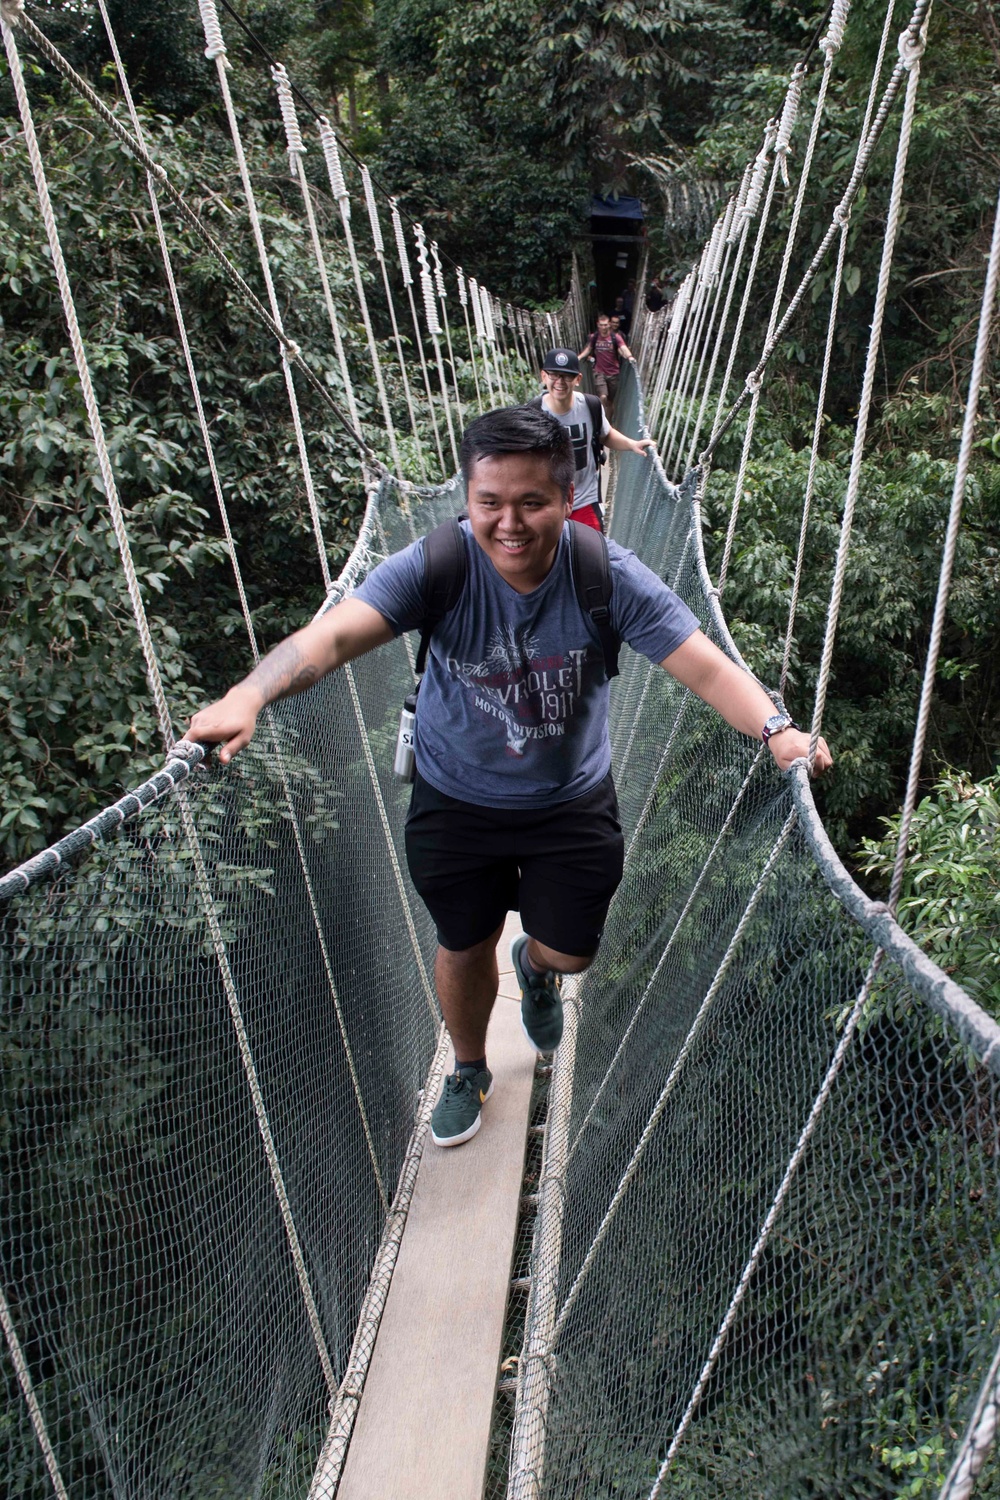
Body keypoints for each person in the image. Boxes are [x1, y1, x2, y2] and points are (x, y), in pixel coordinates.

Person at [187, 406, 832, 1150]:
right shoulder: (439, 565)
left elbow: (706, 665)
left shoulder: (605, 575)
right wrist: (248, 694)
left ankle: (535, 966)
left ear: (568, 497)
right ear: (467, 499)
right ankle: (468, 1068)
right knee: (462, 942)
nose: (509, 523)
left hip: (569, 801)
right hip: (455, 797)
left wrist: (778, 732)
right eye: (488, 502)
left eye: (532, 502)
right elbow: (330, 637)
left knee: (573, 952)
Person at [532, 346, 652, 531]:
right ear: (544, 376)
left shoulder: (590, 406)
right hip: (545, 503)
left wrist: (632, 444)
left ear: (578, 379)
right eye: (554, 375)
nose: (560, 382)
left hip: (584, 500)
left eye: (567, 376)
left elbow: (606, 434)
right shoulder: (532, 413)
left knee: (593, 556)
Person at [580, 313, 636, 420]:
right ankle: (600, 419)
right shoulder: (595, 337)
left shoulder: (616, 337)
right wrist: (578, 357)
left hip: (613, 373)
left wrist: (629, 357)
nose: (603, 327)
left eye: (605, 325)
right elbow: (588, 349)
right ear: (598, 325)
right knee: (603, 396)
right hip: (599, 371)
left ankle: (608, 423)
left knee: (610, 401)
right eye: (601, 325)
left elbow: (623, 347)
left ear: (609, 325)